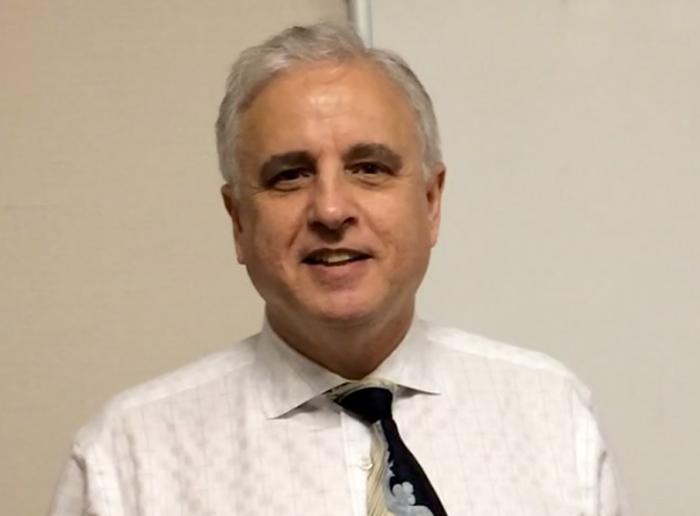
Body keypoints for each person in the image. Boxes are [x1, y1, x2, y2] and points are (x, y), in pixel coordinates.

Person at [48, 23, 627, 516]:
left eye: (369, 168)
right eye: (289, 176)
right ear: (238, 220)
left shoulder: (552, 415)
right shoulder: (127, 462)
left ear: (431, 202)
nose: (330, 209)